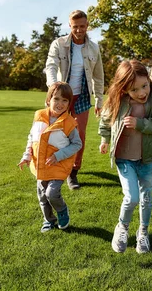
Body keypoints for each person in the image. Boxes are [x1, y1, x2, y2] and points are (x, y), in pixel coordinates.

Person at [99, 60, 152, 254]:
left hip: (147, 159)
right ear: (124, 89)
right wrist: (105, 139)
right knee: (131, 197)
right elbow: (106, 120)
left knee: (146, 198)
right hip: (124, 159)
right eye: (134, 90)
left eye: (144, 86)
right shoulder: (118, 100)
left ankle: (143, 233)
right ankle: (122, 227)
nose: (142, 93)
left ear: (149, 80)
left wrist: (141, 124)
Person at [44, 10, 104, 190]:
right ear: (70, 26)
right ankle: (51, 165)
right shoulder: (59, 44)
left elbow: (98, 76)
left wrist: (99, 100)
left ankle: (73, 172)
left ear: (87, 26)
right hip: (61, 96)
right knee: (54, 132)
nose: (79, 30)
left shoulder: (94, 48)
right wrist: (54, 88)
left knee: (79, 135)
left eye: (82, 26)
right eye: (75, 26)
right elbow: (51, 65)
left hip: (82, 97)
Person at [18, 82, 82, 232]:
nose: (60, 103)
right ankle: (49, 220)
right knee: (42, 196)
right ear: (48, 100)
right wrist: (27, 155)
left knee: (51, 193)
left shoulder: (69, 123)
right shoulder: (39, 116)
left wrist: (59, 155)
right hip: (40, 163)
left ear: (69, 103)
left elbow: (77, 144)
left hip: (59, 165)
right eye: (56, 99)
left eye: (65, 100)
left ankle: (62, 210)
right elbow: (32, 137)